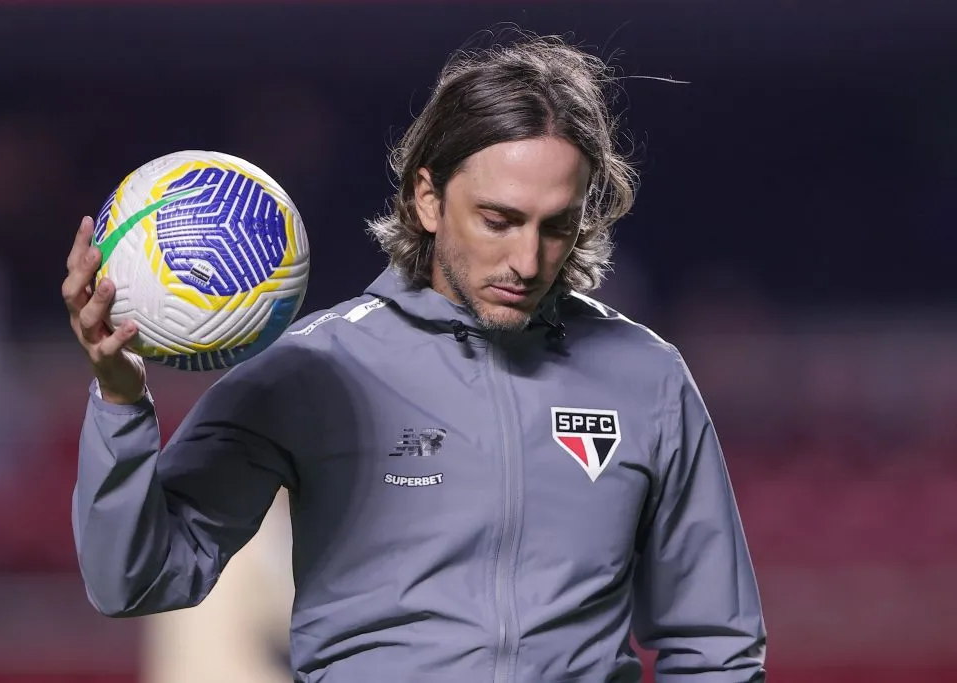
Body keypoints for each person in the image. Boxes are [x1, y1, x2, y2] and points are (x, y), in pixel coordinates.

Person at [64, 35, 767, 683]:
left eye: (556, 225)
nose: (527, 259)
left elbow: (715, 643)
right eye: (498, 220)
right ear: (428, 198)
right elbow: (135, 581)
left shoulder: (647, 377)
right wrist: (122, 400)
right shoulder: (309, 371)